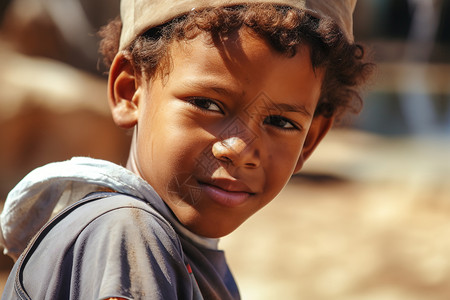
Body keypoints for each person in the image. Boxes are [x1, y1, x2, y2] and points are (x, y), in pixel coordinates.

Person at [1, 0, 373, 299]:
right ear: (130, 91)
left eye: (281, 123)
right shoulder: (127, 234)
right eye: (208, 104)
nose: (240, 149)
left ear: (311, 139)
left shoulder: (185, 253)